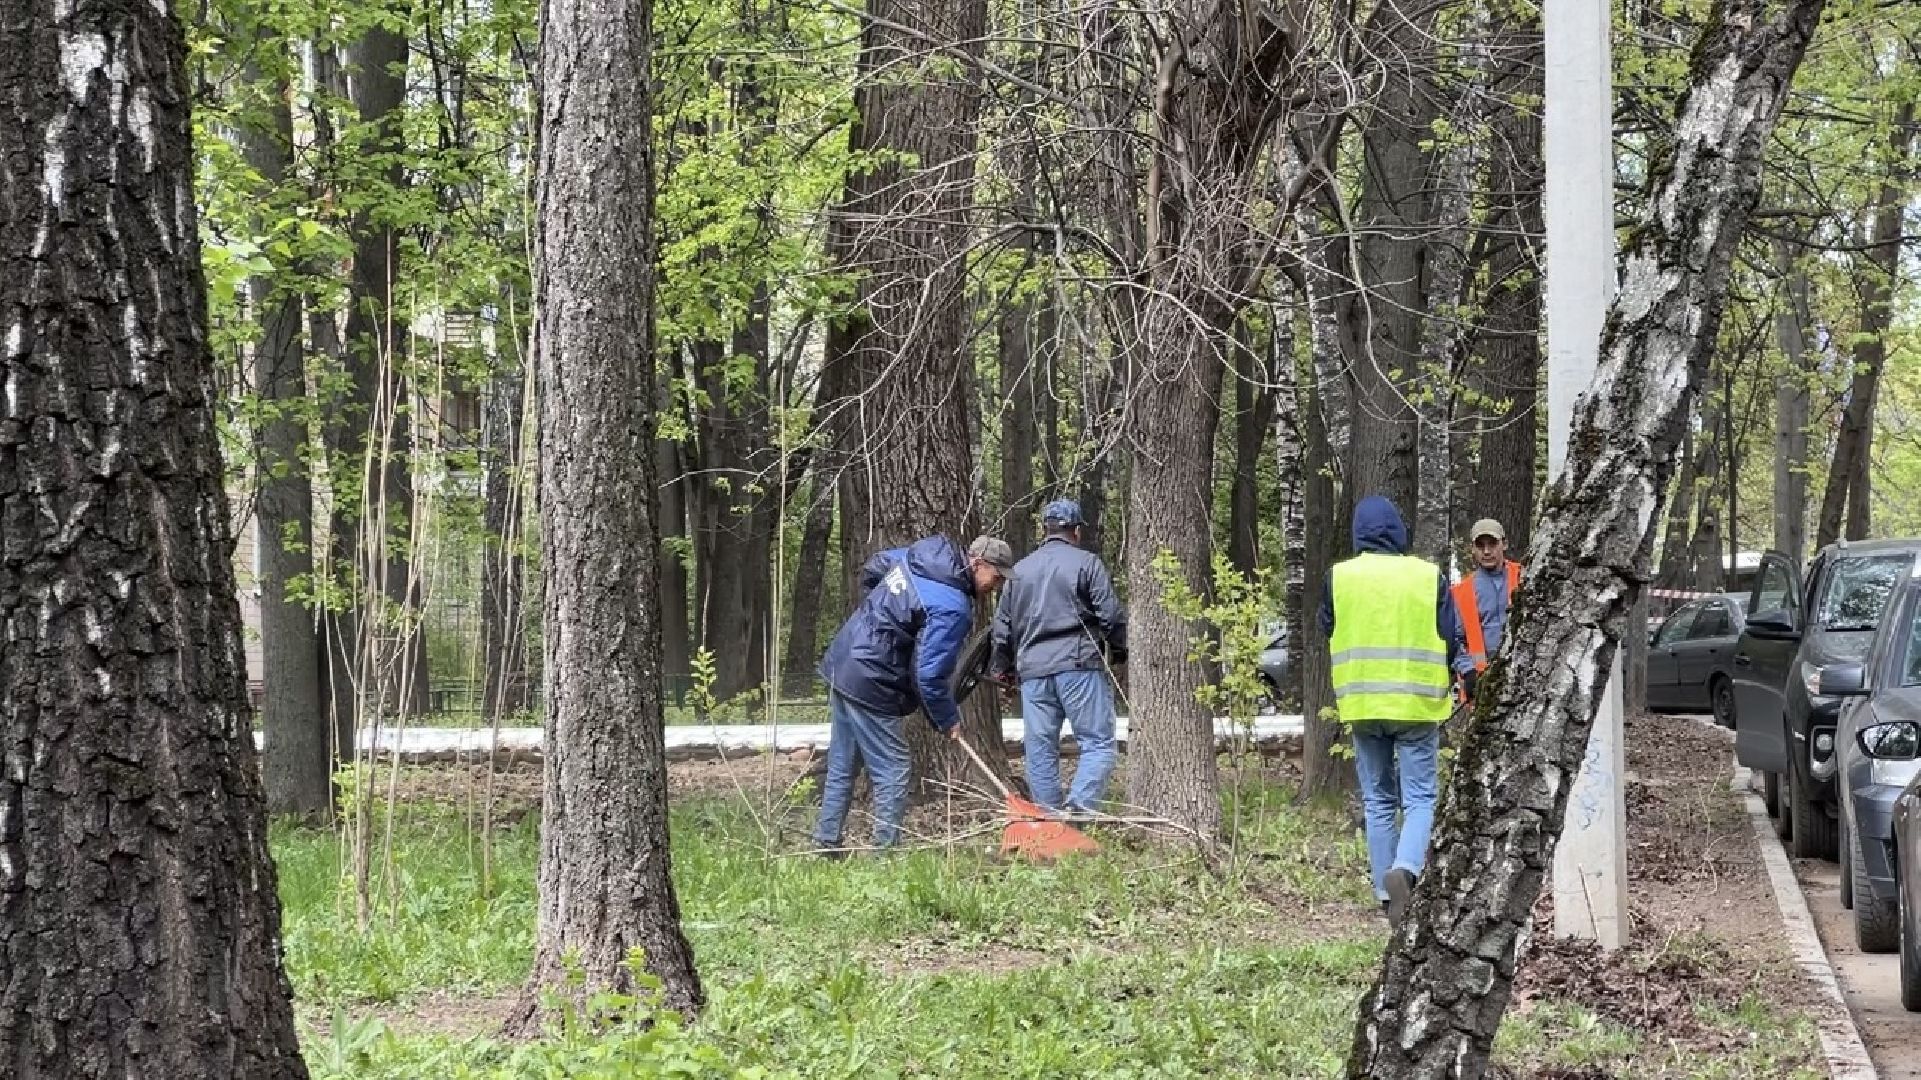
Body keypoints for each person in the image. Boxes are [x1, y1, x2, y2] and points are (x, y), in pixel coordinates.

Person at [814, 534, 1015, 854]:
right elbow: (929, 674)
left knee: (844, 764)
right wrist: (947, 718)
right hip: (872, 679)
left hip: (845, 660)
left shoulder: (921, 556)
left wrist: (878, 620)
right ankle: (885, 855)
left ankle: (826, 844)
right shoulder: (952, 606)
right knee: (893, 769)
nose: (997, 585)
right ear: (978, 564)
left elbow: (874, 566)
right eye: (997, 576)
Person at [1318, 495, 1460, 926]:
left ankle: (1385, 894)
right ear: (1399, 531)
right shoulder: (1426, 576)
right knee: (1419, 798)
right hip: (1416, 704)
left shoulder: (1338, 578)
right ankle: (1407, 870)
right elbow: (1449, 636)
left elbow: (1328, 627)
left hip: (1362, 703)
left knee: (1377, 799)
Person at [989, 500, 1127, 816]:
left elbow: (1002, 628)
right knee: (1098, 744)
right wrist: (1118, 650)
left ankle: (1048, 822)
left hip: (1033, 674)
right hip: (1078, 665)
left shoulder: (1019, 571)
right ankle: (1078, 810)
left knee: (1039, 751)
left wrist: (1003, 669)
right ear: (1076, 531)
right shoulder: (1087, 564)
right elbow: (1110, 615)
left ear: (1045, 530)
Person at [1450, 518, 1520, 703]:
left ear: (1504, 544)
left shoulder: (1524, 576)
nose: (1487, 551)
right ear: (1472, 549)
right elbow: (1454, 639)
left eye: (1492, 544)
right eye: (1480, 546)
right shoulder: (1460, 592)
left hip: (1523, 675)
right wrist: (1468, 671)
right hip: (1482, 683)